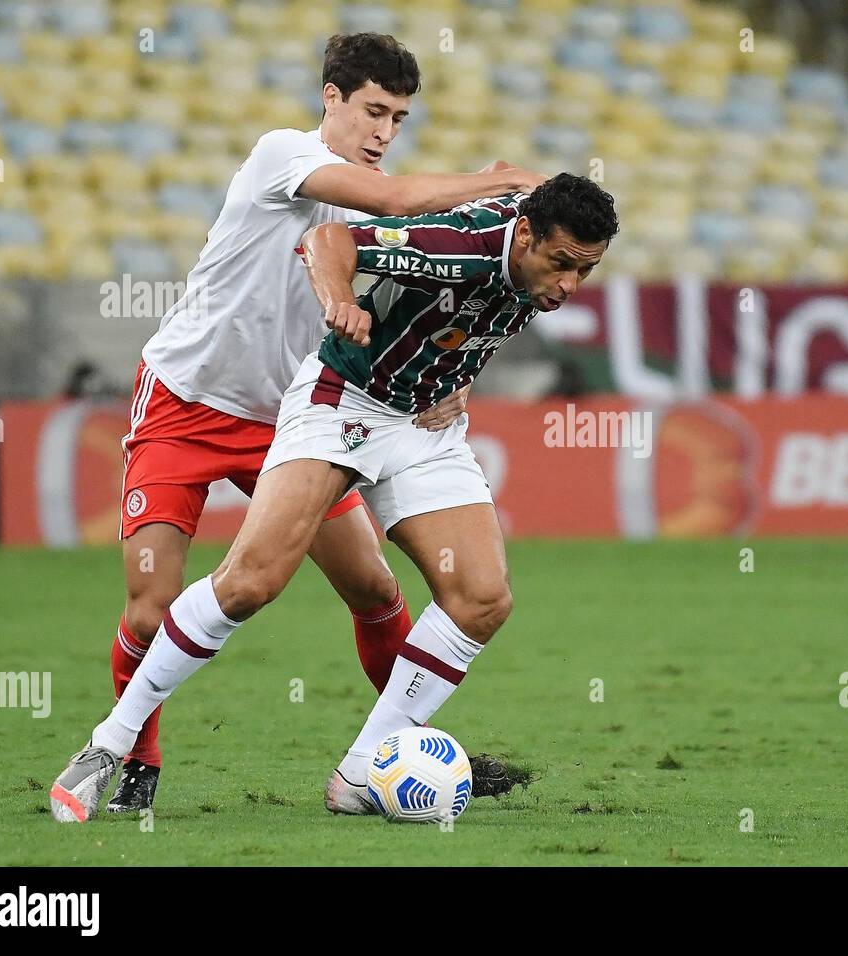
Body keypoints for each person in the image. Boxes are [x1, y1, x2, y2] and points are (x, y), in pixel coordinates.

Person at [50, 173, 618, 822]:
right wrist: (338, 297)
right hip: (343, 403)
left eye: (587, 271)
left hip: (424, 424)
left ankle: (360, 771)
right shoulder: (456, 245)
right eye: (562, 264)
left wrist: (456, 381)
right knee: (250, 583)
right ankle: (110, 742)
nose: (571, 285)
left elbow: (465, 322)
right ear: (523, 235)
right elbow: (330, 237)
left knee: (482, 598)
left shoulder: (541, 259)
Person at [103, 31, 543, 813]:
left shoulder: (376, 211)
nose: (385, 132)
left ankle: (399, 745)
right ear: (331, 98)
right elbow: (399, 198)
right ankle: (136, 760)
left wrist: (455, 383)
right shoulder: (285, 155)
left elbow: (426, 310)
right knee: (151, 604)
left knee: (375, 587)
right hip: (187, 404)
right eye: (374, 110)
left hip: (295, 418)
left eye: (400, 118)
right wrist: (491, 183)